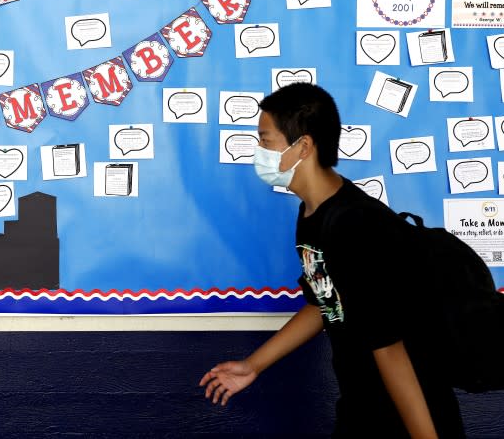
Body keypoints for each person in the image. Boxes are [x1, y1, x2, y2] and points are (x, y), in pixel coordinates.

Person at [199, 84, 465, 439]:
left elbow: (390, 349)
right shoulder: (312, 214)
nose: (258, 151)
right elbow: (324, 301)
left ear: (303, 146)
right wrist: (253, 365)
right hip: (361, 406)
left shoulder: (357, 224)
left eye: (265, 139)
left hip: (409, 415)